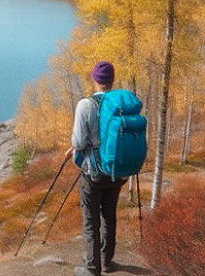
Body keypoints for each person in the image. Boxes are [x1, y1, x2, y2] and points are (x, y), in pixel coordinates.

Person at [65, 61, 126, 276]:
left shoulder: (86, 105)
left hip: (94, 173)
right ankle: (106, 261)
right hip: (117, 170)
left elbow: (80, 142)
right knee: (109, 214)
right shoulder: (121, 103)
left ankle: (92, 269)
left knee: (90, 221)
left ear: (94, 79)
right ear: (112, 79)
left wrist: (74, 148)